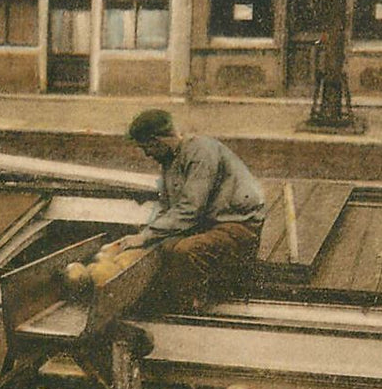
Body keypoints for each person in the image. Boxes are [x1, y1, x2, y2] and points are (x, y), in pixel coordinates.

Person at [110, 109, 266, 311]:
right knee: (163, 246)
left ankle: (192, 306)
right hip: (208, 224)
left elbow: (190, 209)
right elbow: (168, 209)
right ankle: (177, 298)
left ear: (158, 140)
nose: (147, 154)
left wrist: (146, 236)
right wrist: (145, 235)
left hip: (239, 226)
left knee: (186, 251)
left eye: (146, 147)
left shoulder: (201, 151)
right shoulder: (169, 161)